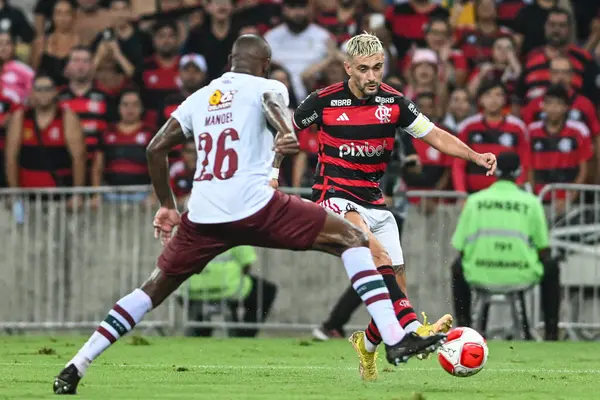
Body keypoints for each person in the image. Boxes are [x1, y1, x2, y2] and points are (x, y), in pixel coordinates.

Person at [53, 34, 448, 395]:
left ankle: (77, 364)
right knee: (354, 239)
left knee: (152, 288)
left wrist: (167, 207)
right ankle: (395, 339)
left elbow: (155, 148)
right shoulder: (268, 85)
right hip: (257, 206)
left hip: (203, 215)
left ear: (229, 61)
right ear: (264, 64)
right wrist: (284, 131)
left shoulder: (199, 98)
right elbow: (273, 106)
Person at [283, 33, 497, 381]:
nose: (371, 76)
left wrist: (473, 155)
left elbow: (436, 135)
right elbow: (283, 134)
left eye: (378, 68)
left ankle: (366, 348)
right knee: (379, 257)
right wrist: (270, 176)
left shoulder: (394, 103)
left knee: (394, 291)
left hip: (375, 202)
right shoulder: (322, 102)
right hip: (334, 196)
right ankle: (414, 330)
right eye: (364, 69)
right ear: (348, 67)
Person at [451, 151, 560, 340]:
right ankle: (551, 333)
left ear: (495, 171)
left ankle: (465, 329)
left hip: (479, 273)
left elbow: (459, 246)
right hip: (521, 274)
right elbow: (544, 248)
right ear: (519, 172)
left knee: (456, 268)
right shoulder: (532, 203)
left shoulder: (474, 202)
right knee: (552, 267)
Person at [4, 73, 86, 196]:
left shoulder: (67, 117)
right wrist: (14, 192)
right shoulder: (20, 117)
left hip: (61, 194)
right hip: (27, 197)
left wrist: (77, 194)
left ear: (55, 92)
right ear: (32, 92)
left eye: (47, 89)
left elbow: (79, 158)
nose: (43, 93)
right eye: (39, 89)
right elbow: (11, 157)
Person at [182, 246, 278, 338]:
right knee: (267, 291)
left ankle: (202, 330)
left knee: (192, 303)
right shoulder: (236, 230)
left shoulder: (189, 231)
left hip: (192, 289)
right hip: (228, 289)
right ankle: (244, 335)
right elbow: (247, 264)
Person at [527, 85, 593, 213]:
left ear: (566, 107)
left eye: (558, 104)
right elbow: (528, 167)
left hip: (570, 202)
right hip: (539, 200)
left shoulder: (579, 131)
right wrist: (534, 198)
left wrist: (570, 197)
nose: (553, 109)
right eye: (549, 104)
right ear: (543, 106)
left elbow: (584, 170)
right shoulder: (531, 131)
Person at [58, 46, 109, 185]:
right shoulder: (57, 97)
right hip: (63, 166)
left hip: (99, 167)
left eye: (86, 61)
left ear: (92, 66)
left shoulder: (105, 97)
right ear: (67, 66)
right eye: (76, 60)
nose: (80, 66)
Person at [31, 0, 81, 87]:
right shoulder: (41, 42)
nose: (62, 18)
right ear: (53, 17)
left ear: (74, 16)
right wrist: (38, 54)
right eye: (58, 13)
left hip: (72, 91)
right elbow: (32, 72)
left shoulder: (81, 42)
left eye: (67, 13)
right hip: (45, 91)